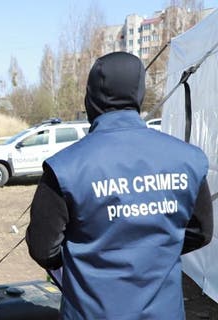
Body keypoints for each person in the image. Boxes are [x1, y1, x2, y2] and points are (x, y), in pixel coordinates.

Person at [26, 52, 213, 319]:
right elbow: (201, 232)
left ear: (90, 97)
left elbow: (44, 248)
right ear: (139, 94)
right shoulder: (188, 160)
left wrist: (89, 265)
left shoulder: (65, 167)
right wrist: (154, 252)